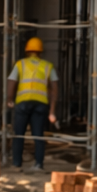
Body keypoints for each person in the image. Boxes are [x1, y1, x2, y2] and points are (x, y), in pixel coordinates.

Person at [9, 36, 58, 170]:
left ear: (27, 50)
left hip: (22, 103)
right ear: (40, 52)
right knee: (38, 136)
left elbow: (11, 83)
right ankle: (38, 164)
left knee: (19, 134)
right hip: (41, 104)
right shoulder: (48, 66)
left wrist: (9, 100)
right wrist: (52, 110)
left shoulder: (20, 64)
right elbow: (54, 88)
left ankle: (17, 164)